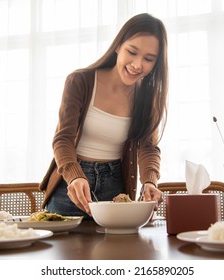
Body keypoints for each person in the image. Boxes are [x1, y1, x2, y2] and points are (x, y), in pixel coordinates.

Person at [39, 13, 168, 219]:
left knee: (115, 251)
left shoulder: (148, 97)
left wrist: (150, 181)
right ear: (118, 46)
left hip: (115, 186)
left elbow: (148, 147)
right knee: (65, 250)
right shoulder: (80, 81)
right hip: (70, 187)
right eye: (132, 52)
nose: (137, 64)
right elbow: (62, 139)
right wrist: (74, 177)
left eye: (148, 59)